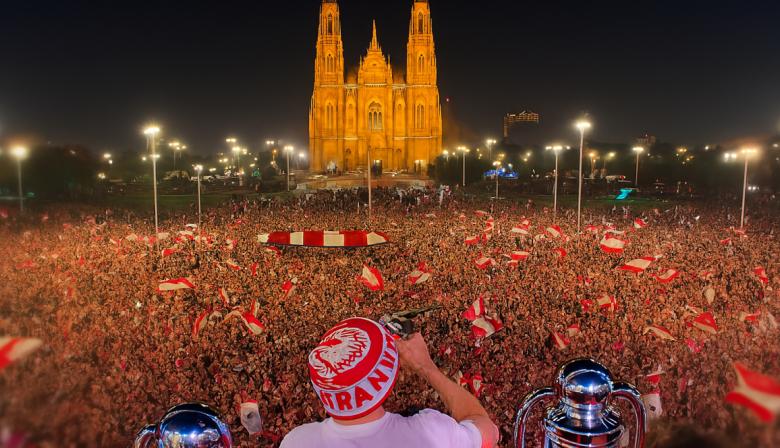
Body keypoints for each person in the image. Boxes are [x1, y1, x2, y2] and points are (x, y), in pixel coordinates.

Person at [280, 317, 500, 448]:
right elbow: (488, 431)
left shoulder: (296, 442)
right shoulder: (430, 434)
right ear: (389, 377)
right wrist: (426, 367)